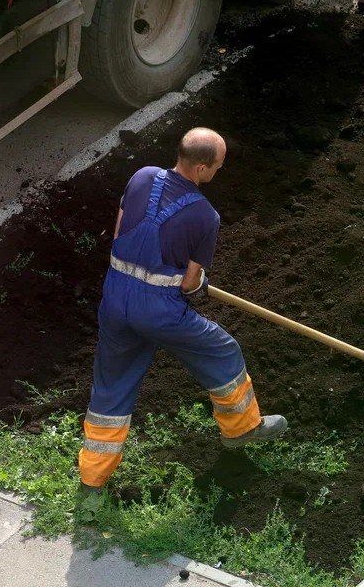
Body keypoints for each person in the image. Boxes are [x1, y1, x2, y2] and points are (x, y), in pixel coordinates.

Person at [77, 127, 287, 498]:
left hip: (114, 296)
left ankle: (92, 481)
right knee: (221, 350)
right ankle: (241, 430)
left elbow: (120, 229)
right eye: (218, 167)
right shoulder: (205, 216)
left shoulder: (141, 176)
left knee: (112, 384)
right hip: (158, 309)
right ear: (203, 168)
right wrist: (196, 280)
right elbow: (190, 283)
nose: (217, 173)